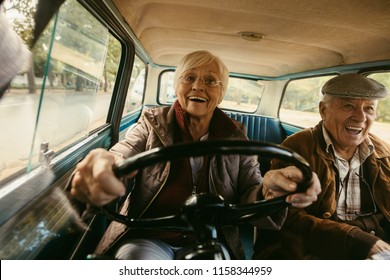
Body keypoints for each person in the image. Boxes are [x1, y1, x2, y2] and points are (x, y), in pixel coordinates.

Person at [70, 50, 321, 260]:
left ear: (221, 93)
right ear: (177, 84)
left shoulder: (237, 136)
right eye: (189, 77)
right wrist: (105, 164)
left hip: (211, 236)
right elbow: (122, 154)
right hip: (149, 235)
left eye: (210, 81)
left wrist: (270, 191)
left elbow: (250, 190)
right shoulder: (151, 123)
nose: (198, 86)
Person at [253, 73, 390, 260]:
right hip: (312, 248)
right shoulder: (296, 147)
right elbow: (286, 217)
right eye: (348, 106)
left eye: (369, 108)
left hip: (378, 247)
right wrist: (356, 240)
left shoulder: (384, 152)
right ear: (323, 110)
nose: (360, 117)